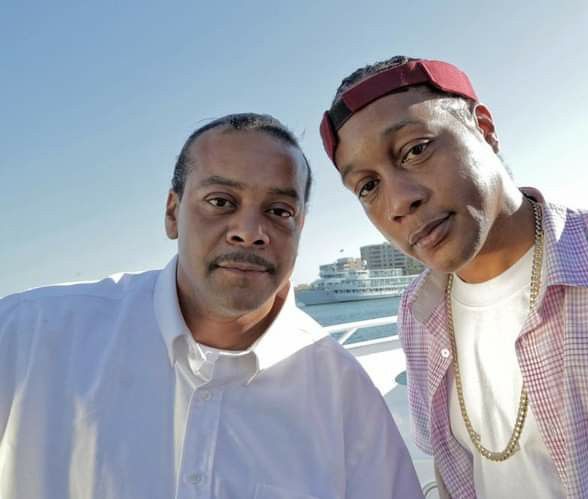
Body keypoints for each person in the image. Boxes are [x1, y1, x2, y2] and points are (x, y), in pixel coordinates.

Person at [319, 56, 588, 497]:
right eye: (367, 186)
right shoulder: (417, 312)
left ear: (484, 129)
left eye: (416, 150)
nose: (398, 202)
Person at [0, 113, 423, 499]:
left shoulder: (344, 394)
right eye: (221, 202)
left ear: (300, 229)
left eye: (279, 211)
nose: (249, 231)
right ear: (172, 213)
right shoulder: (29, 338)